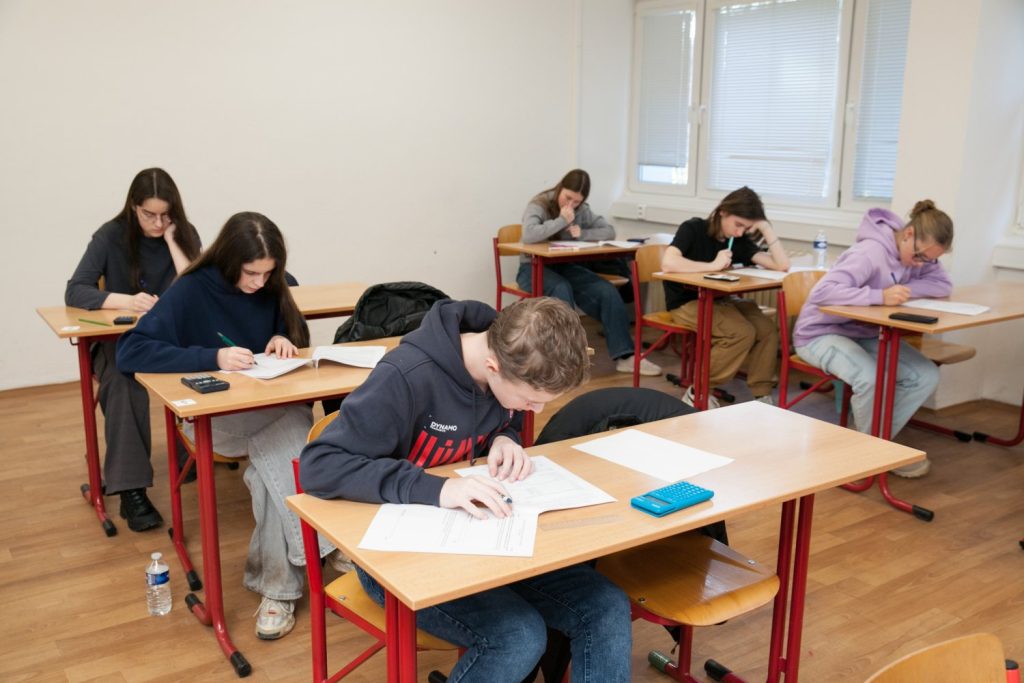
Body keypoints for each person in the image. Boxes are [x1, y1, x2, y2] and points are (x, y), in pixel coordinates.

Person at [300, 297, 633, 682]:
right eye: (530, 400)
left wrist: (505, 438)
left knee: (606, 605)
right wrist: (437, 489)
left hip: (487, 541)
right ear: (493, 367)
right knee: (518, 636)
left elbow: (501, 418)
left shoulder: (506, 357)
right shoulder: (406, 376)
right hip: (397, 557)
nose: (535, 412)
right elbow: (319, 466)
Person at [116, 212, 323, 640]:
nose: (260, 283)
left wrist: (283, 339)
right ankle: (323, 548)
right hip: (214, 420)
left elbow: (291, 334)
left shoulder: (270, 284)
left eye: (268, 274)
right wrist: (212, 357)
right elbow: (130, 351)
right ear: (229, 261)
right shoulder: (192, 289)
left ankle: (279, 591)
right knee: (292, 431)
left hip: (268, 408)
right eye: (251, 273)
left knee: (272, 463)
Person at [65, 168, 201, 532]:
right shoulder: (110, 236)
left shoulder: (182, 234)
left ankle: (191, 450)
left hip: (170, 338)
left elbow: (198, 288)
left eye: (165, 215)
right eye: (148, 214)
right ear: (133, 207)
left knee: (213, 360)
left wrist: (174, 241)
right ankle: (131, 490)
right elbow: (75, 290)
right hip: (118, 341)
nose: (157, 223)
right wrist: (127, 300)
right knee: (123, 381)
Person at [793, 200, 954, 478]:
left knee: (925, 375)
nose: (921, 264)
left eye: (930, 260)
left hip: (865, 333)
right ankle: (868, 453)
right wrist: (879, 296)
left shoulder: (919, 254)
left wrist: (902, 288)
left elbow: (942, 284)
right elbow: (823, 293)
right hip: (820, 333)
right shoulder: (869, 252)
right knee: (869, 377)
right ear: (908, 234)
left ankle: (870, 445)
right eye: (920, 257)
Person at [519, 169, 661, 377]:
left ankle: (626, 356)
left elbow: (609, 231)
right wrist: (562, 220)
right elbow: (529, 235)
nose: (571, 205)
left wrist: (583, 234)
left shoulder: (582, 210)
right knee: (561, 289)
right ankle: (567, 358)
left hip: (564, 266)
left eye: (577, 201)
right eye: (567, 198)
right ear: (560, 188)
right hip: (532, 268)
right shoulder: (539, 204)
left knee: (606, 291)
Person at [661, 186, 789, 407]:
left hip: (721, 300)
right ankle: (699, 391)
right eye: (738, 224)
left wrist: (766, 228)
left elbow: (782, 265)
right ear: (723, 212)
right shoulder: (693, 228)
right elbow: (668, 263)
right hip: (686, 301)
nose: (740, 232)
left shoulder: (738, 240)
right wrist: (712, 265)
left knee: (767, 330)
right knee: (740, 333)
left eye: (746, 227)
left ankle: (762, 395)